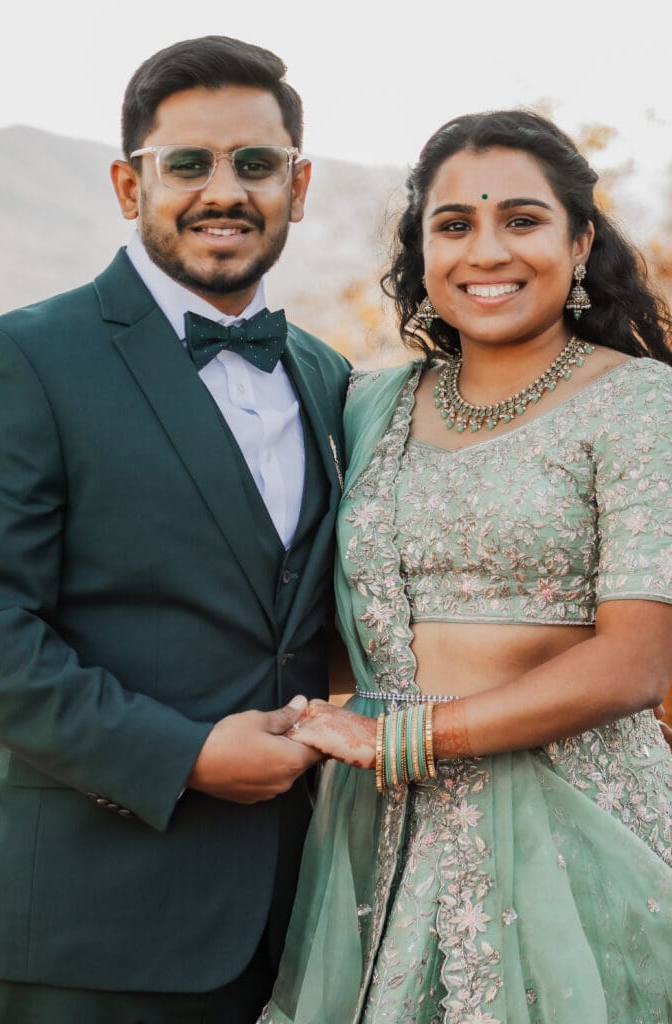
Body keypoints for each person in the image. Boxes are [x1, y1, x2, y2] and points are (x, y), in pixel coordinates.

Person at [262, 110, 672, 1024]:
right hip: (376, 839)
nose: (486, 250)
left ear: (580, 240)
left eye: (521, 220)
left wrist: (396, 742)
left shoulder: (641, 405)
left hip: (571, 831)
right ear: (420, 252)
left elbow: (638, 661)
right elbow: (348, 623)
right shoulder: (369, 405)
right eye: (454, 225)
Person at [0, 35, 349, 1024]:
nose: (222, 190)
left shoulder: (326, 375)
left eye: (255, 163)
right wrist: (180, 756)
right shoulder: (23, 358)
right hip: (89, 930)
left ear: (299, 183)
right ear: (126, 182)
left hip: (295, 927)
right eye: (186, 163)